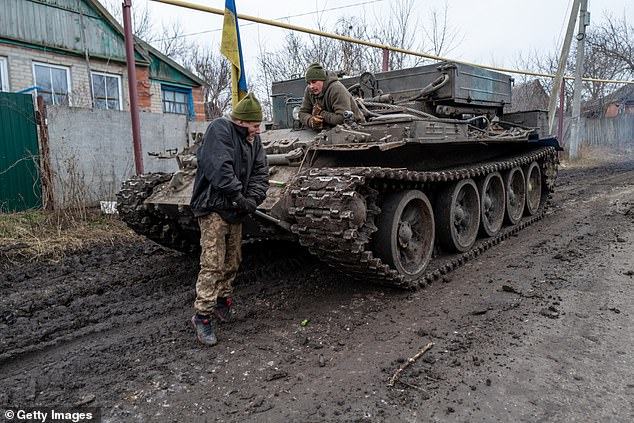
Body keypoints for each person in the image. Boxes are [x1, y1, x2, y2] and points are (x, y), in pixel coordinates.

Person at [189, 92, 269, 346]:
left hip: (235, 209)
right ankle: (202, 316)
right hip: (213, 206)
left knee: (233, 259)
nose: (258, 130)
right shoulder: (220, 130)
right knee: (212, 262)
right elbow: (218, 167)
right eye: (255, 125)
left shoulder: (252, 140)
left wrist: (253, 199)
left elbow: (260, 171)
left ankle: (222, 301)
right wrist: (238, 195)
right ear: (242, 121)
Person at [298, 62, 365, 130]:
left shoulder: (336, 89)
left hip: (355, 127)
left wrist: (321, 113)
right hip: (327, 129)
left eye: (314, 82)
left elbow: (342, 119)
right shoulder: (309, 90)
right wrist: (311, 121)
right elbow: (302, 113)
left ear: (322, 80)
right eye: (309, 83)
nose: (311, 86)